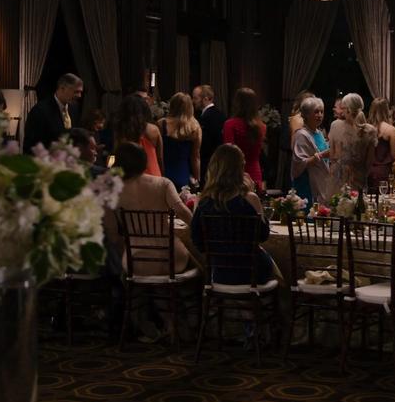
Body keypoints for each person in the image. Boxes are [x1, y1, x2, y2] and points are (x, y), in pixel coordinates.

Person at [106, 142, 194, 277]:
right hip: (172, 259)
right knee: (196, 258)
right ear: (144, 161)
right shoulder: (163, 184)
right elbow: (182, 212)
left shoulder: (111, 191)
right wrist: (196, 226)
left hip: (135, 261)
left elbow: (112, 234)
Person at [190, 144, 273, 285]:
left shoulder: (202, 202)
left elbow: (197, 241)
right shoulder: (250, 199)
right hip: (252, 272)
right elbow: (263, 235)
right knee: (275, 269)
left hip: (219, 272)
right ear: (240, 169)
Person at [328, 93, 377, 189]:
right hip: (360, 179)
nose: (342, 111)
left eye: (343, 108)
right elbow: (369, 162)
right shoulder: (370, 130)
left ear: (348, 110)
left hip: (339, 178)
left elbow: (332, 155)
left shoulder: (336, 125)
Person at [23, 73, 82, 153]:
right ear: (62, 88)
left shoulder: (74, 108)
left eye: (80, 92)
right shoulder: (40, 111)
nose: (79, 95)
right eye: (76, 92)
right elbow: (31, 146)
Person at [223, 87, 267, 191]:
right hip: (255, 171)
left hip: (235, 173)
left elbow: (229, 153)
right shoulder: (262, 126)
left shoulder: (230, 124)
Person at [291, 96, 331, 205]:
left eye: (322, 112)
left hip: (321, 181)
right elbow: (299, 162)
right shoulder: (301, 134)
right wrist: (322, 155)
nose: (320, 115)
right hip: (307, 182)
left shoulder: (319, 133)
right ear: (307, 114)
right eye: (316, 112)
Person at [158, 93, 202, 191]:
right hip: (183, 173)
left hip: (164, 171)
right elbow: (195, 156)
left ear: (172, 105)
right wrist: (197, 178)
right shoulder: (194, 127)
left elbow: (158, 153)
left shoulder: (162, 124)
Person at [115, 94, 163, 177]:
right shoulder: (153, 130)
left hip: (130, 175)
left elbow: (115, 154)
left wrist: (109, 168)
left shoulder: (121, 130)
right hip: (153, 174)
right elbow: (160, 157)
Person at [192, 85, 226, 186]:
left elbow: (205, 145)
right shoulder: (220, 114)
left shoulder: (207, 117)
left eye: (196, 98)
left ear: (206, 99)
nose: (193, 101)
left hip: (208, 164)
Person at [367, 98, 395, 190]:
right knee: (383, 200)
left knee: (368, 200)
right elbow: (394, 156)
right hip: (383, 171)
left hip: (368, 170)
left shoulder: (366, 128)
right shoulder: (391, 129)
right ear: (386, 110)